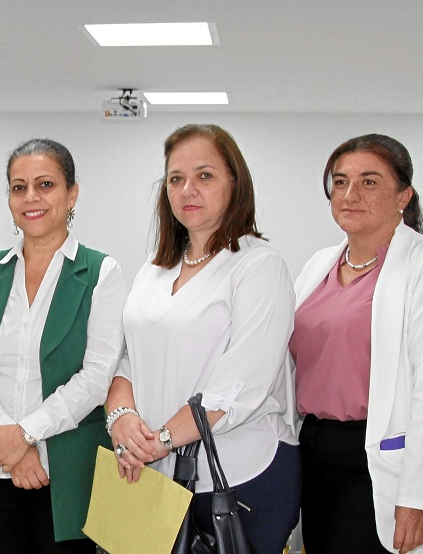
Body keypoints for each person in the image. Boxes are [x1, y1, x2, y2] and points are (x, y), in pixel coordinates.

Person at [106, 123, 300, 554]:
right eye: (176, 179)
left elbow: (238, 388)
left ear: (235, 182)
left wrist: (155, 442)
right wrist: (120, 422)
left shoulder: (258, 266)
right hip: (151, 475)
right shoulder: (153, 272)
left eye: (205, 175)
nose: (188, 189)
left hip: (237, 476)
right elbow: (127, 363)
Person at [290, 134, 423, 554]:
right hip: (313, 449)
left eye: (369, 182)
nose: (350, 194)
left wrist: (416, 496)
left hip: (377, 459)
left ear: (403, 195)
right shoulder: (319, 264)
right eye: (340, 181)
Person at [0, 138, 126, 553]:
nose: (31, 197)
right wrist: (6, 440)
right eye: (18, 186)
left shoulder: (101, 272)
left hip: (66, 471)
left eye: (45, 184)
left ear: (72, 193)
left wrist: (26, 435)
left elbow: (97, 376)